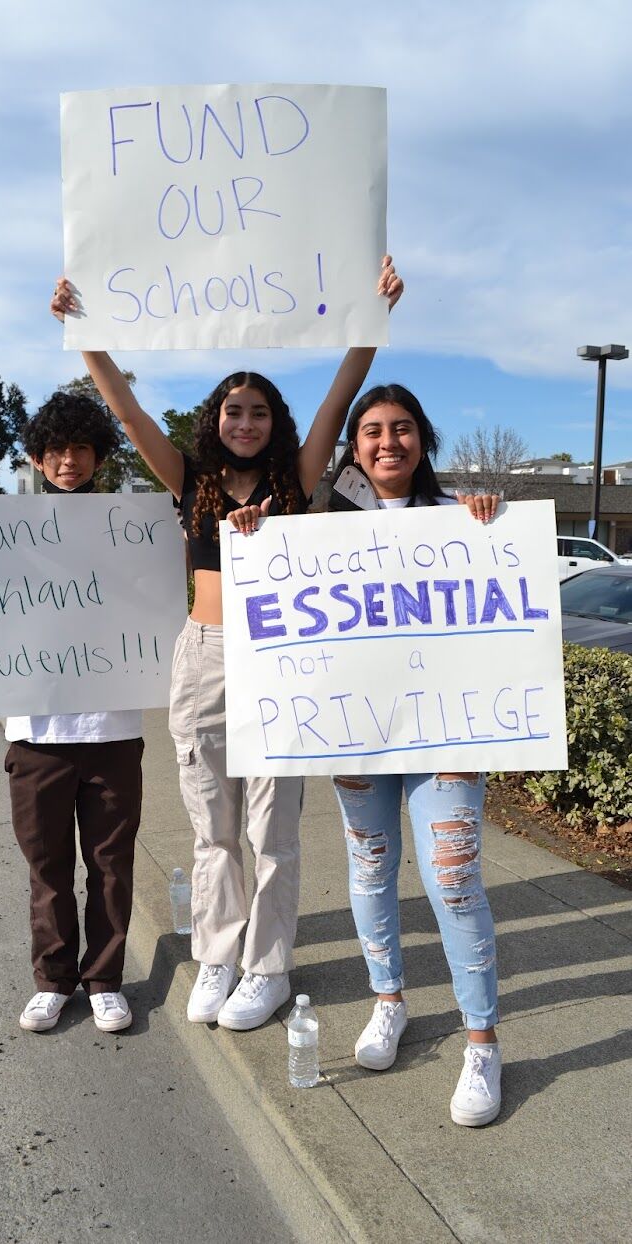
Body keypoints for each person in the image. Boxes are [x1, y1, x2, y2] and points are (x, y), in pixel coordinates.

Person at [51, 259, 403, 1031]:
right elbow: (132, 415)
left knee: (273, 829)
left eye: (258, 412)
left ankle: (267, 969)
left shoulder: (299, 472)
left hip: (282, 660)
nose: (245, 423)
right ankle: (218, 954)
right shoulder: (190, 477)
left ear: (274, 421)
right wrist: (86, 340)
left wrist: (370, 321)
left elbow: (341, 396)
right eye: (233, 411)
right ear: (215, 417)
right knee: (213, 825)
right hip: (205, 653)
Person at [324, 384, 502, 1126]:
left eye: (401, 428)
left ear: (422, 439)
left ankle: (483, 1042)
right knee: (370, 866)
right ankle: (388, 1000)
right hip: (355, 725)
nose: (387, 441)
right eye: (371, 430)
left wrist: (493, 526)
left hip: (445, 729)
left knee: (454, 876)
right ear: (355, 445)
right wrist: (251, 532)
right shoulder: (319, 523)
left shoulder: (460, 518)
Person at [0, 391, 142, 1035]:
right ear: (36, 457)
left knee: (111, 864)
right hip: (36, 732)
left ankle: (104, 978)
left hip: (114, 727)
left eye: (82, 447)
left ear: (99, 457)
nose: (69, 460)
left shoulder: (132, 524)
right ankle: (54, 980)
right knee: (47, 865)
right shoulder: (2, 525)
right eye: (56, 449)